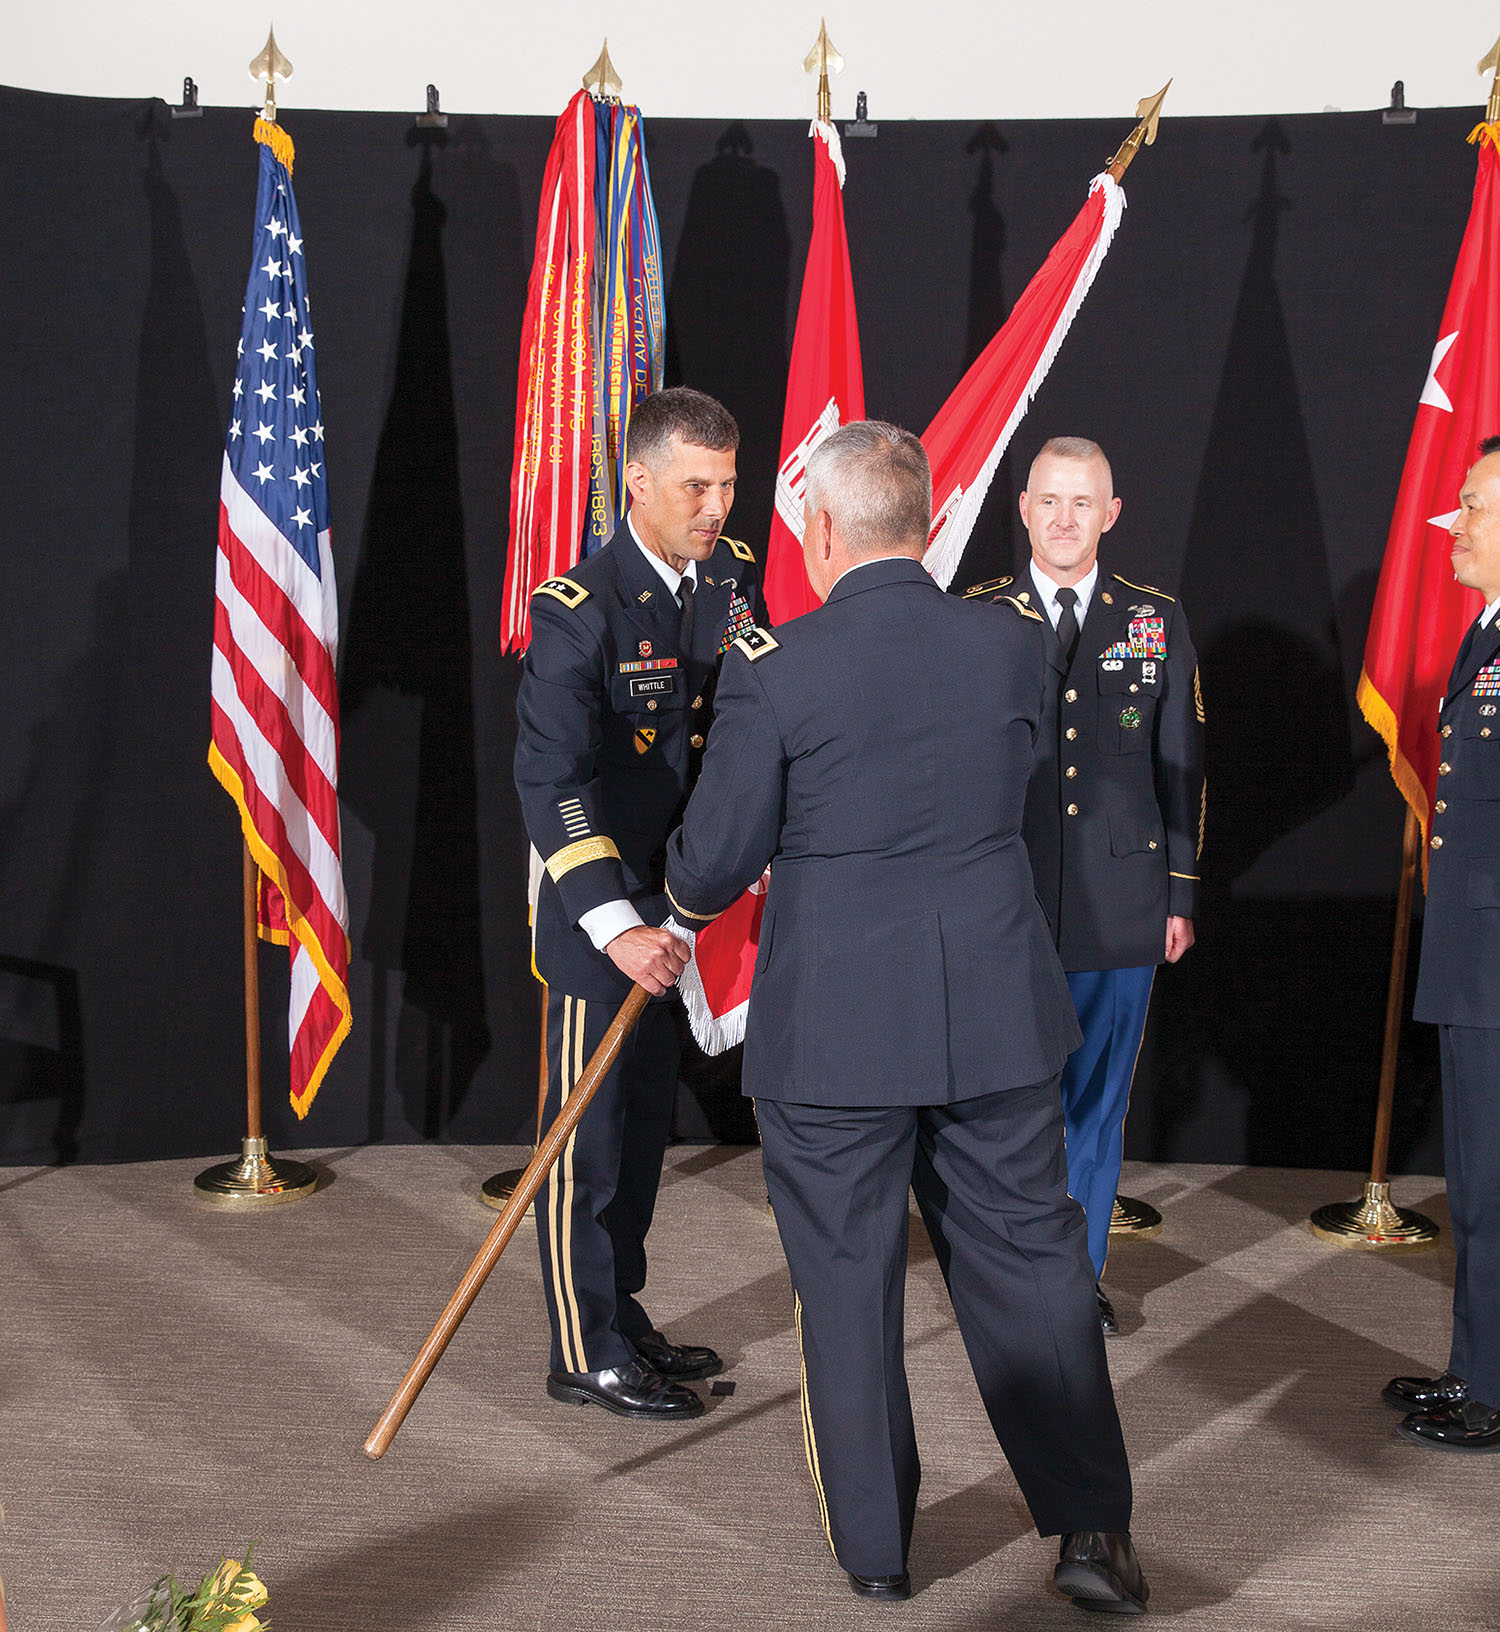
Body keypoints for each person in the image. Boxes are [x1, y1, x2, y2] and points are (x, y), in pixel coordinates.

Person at [665, 421, 1147, 1612]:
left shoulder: (774, 665)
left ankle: (879, 1555)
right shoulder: (1011, 647)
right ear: (928, 523)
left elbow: (712, 868)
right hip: (992, 1010)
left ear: (821, 531)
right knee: (1033, 1271)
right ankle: (1093, 1535)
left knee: (847, 1282)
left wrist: (675, 883)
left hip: (835, 1032)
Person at [513, 386, 764, 1420]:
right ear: (640, 483)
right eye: (697, 485)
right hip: (606, 926)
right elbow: (552, 780)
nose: (716, 505)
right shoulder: (580, 608)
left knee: (647, 1139)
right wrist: (617, 927)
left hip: (690, 909)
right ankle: (586, 1350)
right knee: (592, 1145)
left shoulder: (734, 582)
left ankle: (624, 1315)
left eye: (729, 484)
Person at [966, 437, 1204, 1335]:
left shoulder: (1155, 619)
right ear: (1022, 509)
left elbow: (1182, 764)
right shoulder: (978, 616)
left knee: (1096, 1105)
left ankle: (1077, 1279)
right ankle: (1009, 1273)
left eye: (1083, 504)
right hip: (1005, 901)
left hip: (1122, 904)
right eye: (1049, 502)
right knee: (1006, 1105)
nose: (1065, 521)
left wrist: (1179, 892)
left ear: (1112, 514)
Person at [1383, 437, 1500, 1452]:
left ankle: (1494, 1390)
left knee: (1498, 1184)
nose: (1451, 523)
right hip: (1473, 959)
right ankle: (1474, 1366)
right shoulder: (1485, 638)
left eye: (1472, 507)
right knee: (1475, 1180)